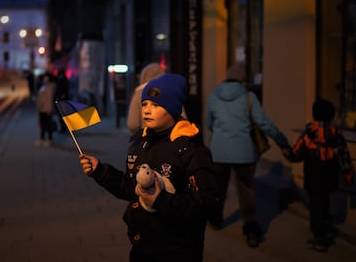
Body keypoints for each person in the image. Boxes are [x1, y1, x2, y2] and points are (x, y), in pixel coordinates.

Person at [80, 73, 220, 262]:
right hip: (142, 246)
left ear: (172, 108)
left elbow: (206, 204)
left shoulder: (190, 149)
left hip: (178, 250)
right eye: (144, 104)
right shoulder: (139, 142)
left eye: (155, 105)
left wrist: (160, 200)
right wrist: (100, 171)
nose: (146, 110)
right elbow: (130, 188)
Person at [205, 61, 290, 248]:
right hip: (244, 153)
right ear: (242, 79)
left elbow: (209, 124)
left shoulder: (214, 97)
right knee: (246, 190)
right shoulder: (249, 97)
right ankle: (251, 229)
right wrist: (282, 140)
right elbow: (264, 123)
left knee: (218, 188)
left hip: (218, 152)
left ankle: (215, 220)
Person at [285, 98, 355, 252]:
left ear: (314, 114)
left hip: (313, 177)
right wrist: (347, 173)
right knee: (324, 202)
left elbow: (295, 155)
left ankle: (320, 238)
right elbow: (344, 156)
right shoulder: (336, 134)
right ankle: (326, 226)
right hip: (330, 176)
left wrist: (286, 150)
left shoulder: (309, 133)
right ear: (331, 115)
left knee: (316, 205)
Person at [127, 63, 165, 133]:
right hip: (171, 139)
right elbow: (183, 118)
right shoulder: (170, 92)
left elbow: (132, 124)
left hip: (148, 138)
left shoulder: (139, 93)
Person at [36, 72, 56, 146]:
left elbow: (49, 99)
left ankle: (49, 140)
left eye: (46, 77)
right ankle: (42, 139)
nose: (45, 79)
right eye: (44, 77)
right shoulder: (44, 86)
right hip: (42, 109)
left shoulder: (50, 87)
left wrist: (49, 109)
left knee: (48, 125)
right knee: (42, 125)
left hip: (47, 109)